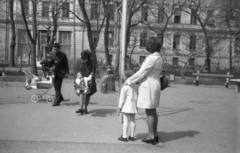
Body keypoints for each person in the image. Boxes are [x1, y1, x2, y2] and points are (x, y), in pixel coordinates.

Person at [125, 37, 163, 145]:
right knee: (153, 111)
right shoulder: (159, 57)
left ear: (151, 46)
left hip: (149, 86)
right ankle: (154, 134)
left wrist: (129, 80)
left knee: (149, 111)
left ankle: (151, 135)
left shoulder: (152, 58)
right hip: (155, 84)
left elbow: (142, 72)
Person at [118, 70, 138, 142]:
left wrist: (120, 107)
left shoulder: (125, 87)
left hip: (126, 106)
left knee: (126, 120)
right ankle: (132, 136)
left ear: (126, 77)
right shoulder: (136, 86)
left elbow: (122, 98)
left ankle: (124, 136)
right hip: (134, 105)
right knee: (133, 120)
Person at [75, 50, 97, 115]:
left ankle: (85, 108)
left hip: (89, 79)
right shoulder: (79, 60)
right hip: (81, 79)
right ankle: (81, 109)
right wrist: (78, 74)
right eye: (83, 59)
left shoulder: (92, 61)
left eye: (86, 59)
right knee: (81, 93)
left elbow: (93, 70)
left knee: (87, 94)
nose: (85, 60)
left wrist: (90, 76)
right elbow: (76, 69)